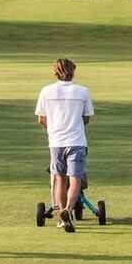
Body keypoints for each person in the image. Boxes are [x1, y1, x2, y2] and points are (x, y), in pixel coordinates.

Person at [35, 58, 94, 233]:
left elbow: (41, 119)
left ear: (55, 72)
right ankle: (68, 209)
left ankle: (62, 214)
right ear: (73, 72)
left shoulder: (46, 91)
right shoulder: (82, 91)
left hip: (56, 142)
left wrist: (53, 127)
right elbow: (87, 118)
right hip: (76, 141)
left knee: (59, 178)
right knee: (75, 178)